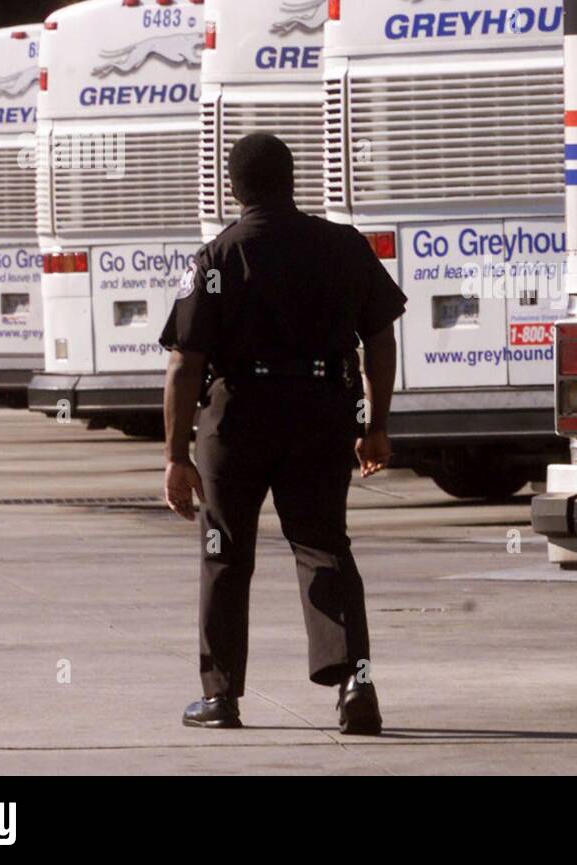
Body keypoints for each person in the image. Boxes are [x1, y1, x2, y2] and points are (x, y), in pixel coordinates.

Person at [160, 132, 405, 736]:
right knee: (324, 545)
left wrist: (174, 455)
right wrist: (376, 424)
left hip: (237, 417)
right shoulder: (342, 246)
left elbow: (184, 363)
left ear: (233, 189)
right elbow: (380, 338)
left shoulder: (217, 258)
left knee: (225, 552)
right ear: (293, 181)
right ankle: (355, 687)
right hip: (321, 413)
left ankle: (220, 698)